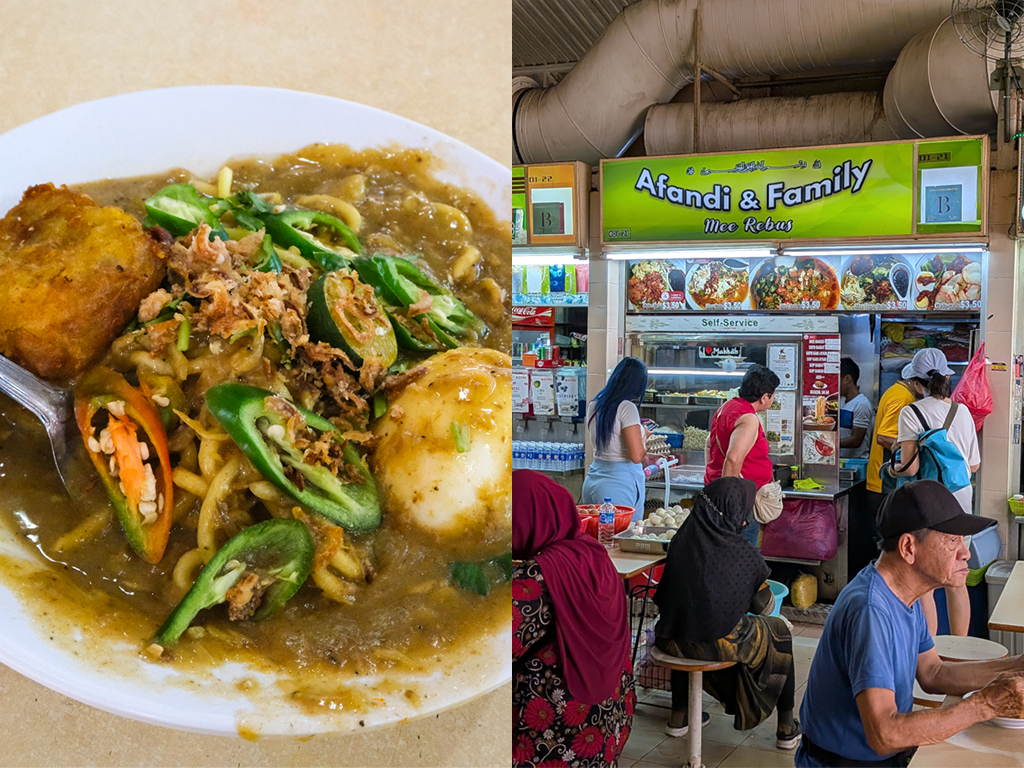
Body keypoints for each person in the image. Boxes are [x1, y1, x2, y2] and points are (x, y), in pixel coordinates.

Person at [797, 481, 1024, 767]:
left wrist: (1017, 665)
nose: (965, 553)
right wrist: (985, 705)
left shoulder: (904, 594)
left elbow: (932, 672)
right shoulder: (870, 610)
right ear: (908, 547)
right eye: (952, 541)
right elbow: (884, 734)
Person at [653, 477, 801, 750]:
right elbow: (765, 607)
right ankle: (787, 728)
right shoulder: (741, 553)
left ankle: (679, 716)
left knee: (686, 621)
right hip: (713, 644)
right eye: (743, 513)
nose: (745, 521)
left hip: (669, 639)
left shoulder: (680, 540)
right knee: (779, 632)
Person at [513, 470, 636, 767]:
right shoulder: (594, 553)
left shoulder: (538, 577)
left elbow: (495, 646)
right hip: (611, 719)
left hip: (556, 733)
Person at [890, 348, 981, 637]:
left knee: (925, 582)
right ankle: (959, 648)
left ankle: (929, 652)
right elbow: (974, 465)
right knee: (957, 577)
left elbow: (909, 468)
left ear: (917, 383)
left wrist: (892, 470)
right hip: (960, 501)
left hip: (928, 501)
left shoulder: (911, 412)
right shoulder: (962, 411)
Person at [704, 364, 779, 546]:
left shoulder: (726, 407)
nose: (773, 399)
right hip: (740, 501)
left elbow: (708, 443)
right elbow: (733, 459)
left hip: (720, 492)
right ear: (764, 397)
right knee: (741, 556)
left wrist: (712, 475)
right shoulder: (748, 418)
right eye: (773, 395)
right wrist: (732, 508)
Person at [581, 356, 649, 521]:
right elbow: (636, 456)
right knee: (622, 536)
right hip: (618, 487)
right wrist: (645, 437)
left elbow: (610, 446)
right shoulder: (627, 407)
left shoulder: (595, 405)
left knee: (594, 535)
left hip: (593, 480)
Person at [839, 357, 874, 459]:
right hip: (840, 460)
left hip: (855, 462)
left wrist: (830, 443)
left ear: (847, 379)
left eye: (836, 379)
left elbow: (856, 441)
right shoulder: (840, 401)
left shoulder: (861, 404)